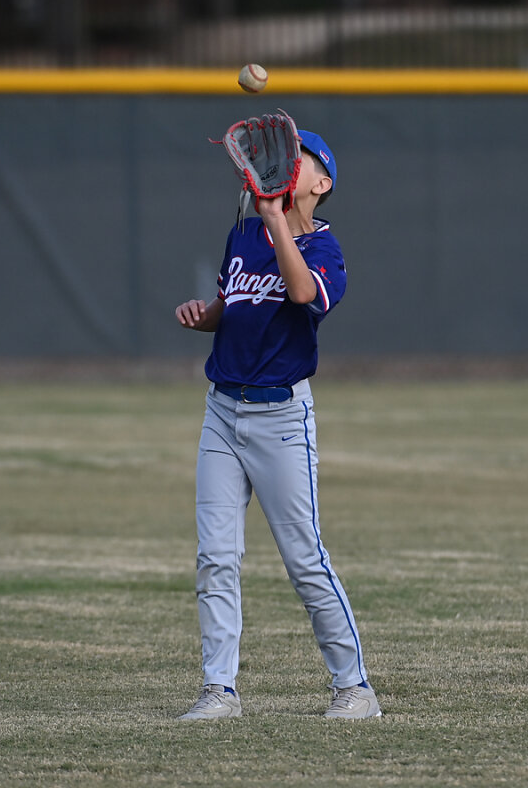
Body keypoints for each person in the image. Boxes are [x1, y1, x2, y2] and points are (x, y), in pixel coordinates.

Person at [174, 128, 381, 721]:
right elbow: (232, 305)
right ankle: (219, 691)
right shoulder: (243, 234)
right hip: (221, 411)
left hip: (282, 418)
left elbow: (299, 291)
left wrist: (274, 218)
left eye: (302, 158)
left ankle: (355, 689)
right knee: (215, 556)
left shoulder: (325, 249)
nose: (288, 162)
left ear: (322, 183)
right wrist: (204, 315)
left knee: (304, 559)